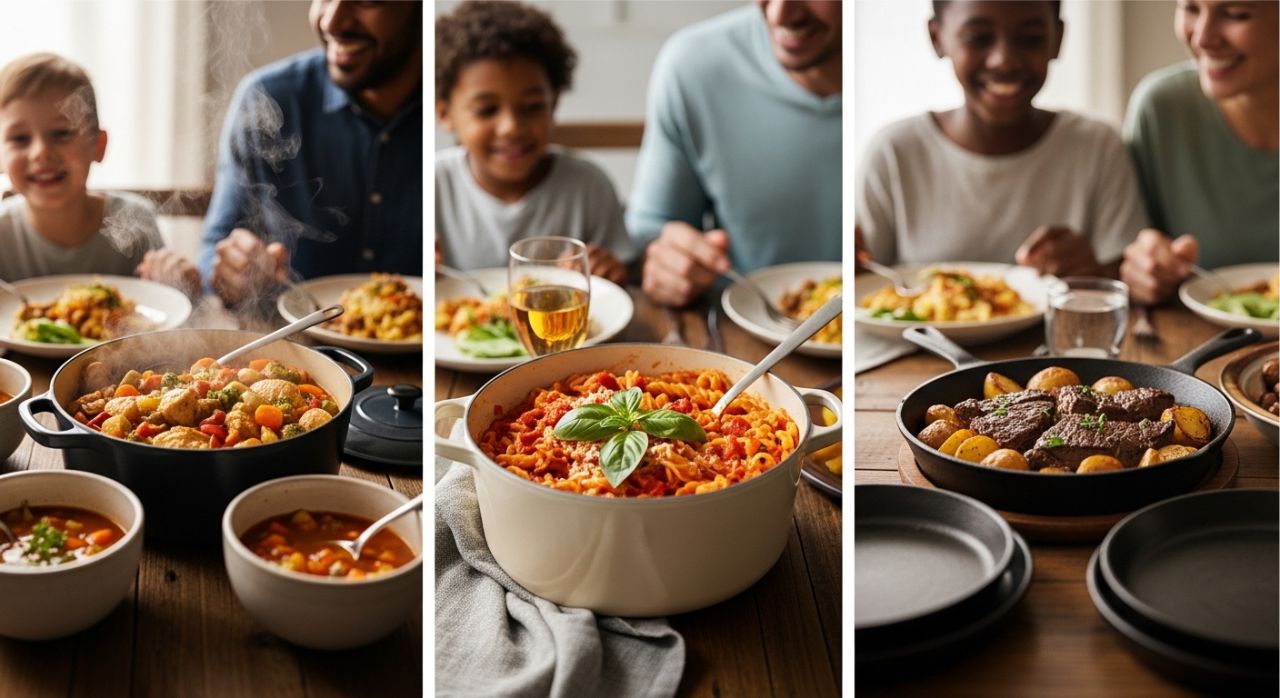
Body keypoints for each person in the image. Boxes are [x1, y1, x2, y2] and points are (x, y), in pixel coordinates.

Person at [856, 0, 1147, 280]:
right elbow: (864, 282)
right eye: (978, 38)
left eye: (1030, 39)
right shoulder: (894, 152)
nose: (1004, 60)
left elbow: (1126, 283)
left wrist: (1092, 272)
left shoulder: (1096, 147)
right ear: (937, 37)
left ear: (1057, 38)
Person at [200, 0, 423, 307]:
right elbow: (214, 249)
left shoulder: (468, 111)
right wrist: (234, 270)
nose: (331, 22)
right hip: (293, 349)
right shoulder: (266, 99)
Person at [627, 0, 842, 307]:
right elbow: (650, 230)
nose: (779, 14)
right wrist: (666, 260)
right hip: (737, 329)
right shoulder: (694, 65)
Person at [434, 0, 632, 285]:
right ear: (445, 114)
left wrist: (609, 272)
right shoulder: (432, 184)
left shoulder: (589, 186)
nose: (511, 128)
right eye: (487, 110)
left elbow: (621, 280)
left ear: (554, 105)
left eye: (532, 106)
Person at [1120, 0, 1278, 306]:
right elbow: (1133, 260)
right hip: (1201, 346)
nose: (1203, 37)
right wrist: (1146, 268)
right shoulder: (1161, 110)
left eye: (1236, 14)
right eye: (1189, 7)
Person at [0, 52, 197, 290]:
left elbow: (170, 309)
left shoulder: (135, 221)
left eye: (62, 133)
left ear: (98, 146)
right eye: (20, 138)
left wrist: (180, 284)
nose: (40, 152)